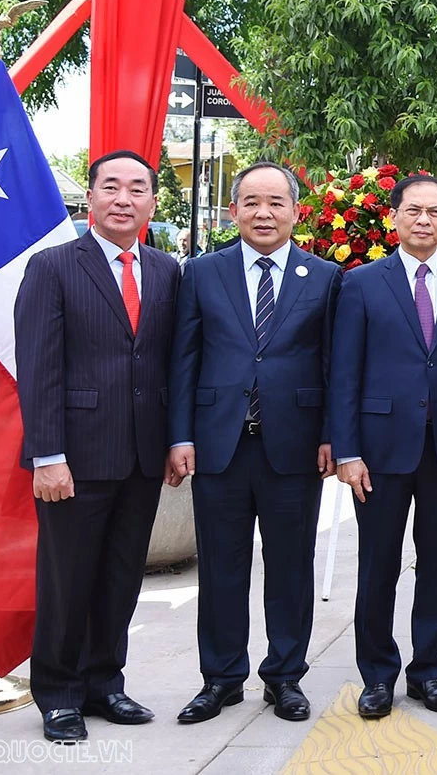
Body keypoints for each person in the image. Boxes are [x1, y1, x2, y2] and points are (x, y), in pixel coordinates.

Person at [15, 150, 181, 743]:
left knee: (119, 576)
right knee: (67, 578)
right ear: (92, 197)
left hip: (141, 455)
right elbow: (37, 370)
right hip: (74, 459)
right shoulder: (54, 267)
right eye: (111, 186)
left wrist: (171, 441)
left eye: (138, 189)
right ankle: (58, 693)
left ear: (152, 203)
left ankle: (105, 683)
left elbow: (165, 363)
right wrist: (47, 455)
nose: (123, 198)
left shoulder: (166, 270)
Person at [168, 162, 340, 725]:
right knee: (221, 567)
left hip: (293, 445)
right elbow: (184, 360)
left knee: (291, 566)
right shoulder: (201, 272)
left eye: (275, 202)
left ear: (296, 211)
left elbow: (334, 365)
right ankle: (221, 678)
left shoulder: (323, 277)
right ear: (234, 209)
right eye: (251, 202)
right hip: (219, 445)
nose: (263, 213)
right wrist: (181, 436)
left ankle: (285, 676)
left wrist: (332, 436)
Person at [330, 174, 437, 719]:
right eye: (412, 210)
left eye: (433, 212)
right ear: (394, 217)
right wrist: (347, 451)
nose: (423, 220)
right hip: (380, 452)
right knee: (378, 566)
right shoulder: (362, 283)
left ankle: (428, 672)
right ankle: (377, 675)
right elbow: (344, 373)